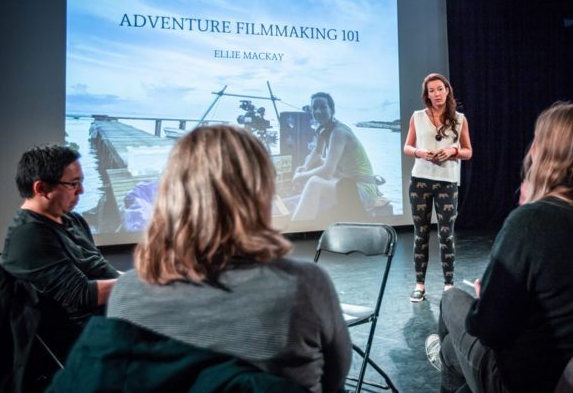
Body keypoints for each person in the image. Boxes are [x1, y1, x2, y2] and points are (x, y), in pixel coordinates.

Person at [50, 125, 352, 393]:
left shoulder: (126, 293)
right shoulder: (302, 285)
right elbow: (335, 378)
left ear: (170, 193)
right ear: (259, 192)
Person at [434, 102, 573, 393]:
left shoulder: (531, 221)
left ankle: (447, 358)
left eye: (537, 140)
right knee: (452, 352)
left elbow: (487, 330)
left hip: (532, 381)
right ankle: (448, 358)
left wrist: (485, 299)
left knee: (451, 300)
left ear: (547, 153)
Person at [0, 145, 120, 388]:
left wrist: (140, 281)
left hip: (97, 321)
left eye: (81, 182)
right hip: (69, 336)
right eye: (73, 184)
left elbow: (99, 267)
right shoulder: (28, 235)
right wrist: (142, 283)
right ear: (41, 188)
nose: (81, 191)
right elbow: (79, 294)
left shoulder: (73, 219)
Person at [403, 73, 472, 302]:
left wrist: (452, 151)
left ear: (447, 90)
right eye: (431, 90)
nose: (436, 94)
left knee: (446, 236)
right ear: (427, 94)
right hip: (420, 180)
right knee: (420, 235)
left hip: (447, 181)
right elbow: (407, 147)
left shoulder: (459, 118)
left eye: (440, 89)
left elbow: (468, 151)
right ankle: (420, 285)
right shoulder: (417, 117)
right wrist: (420, 152)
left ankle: (448, 286)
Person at [291, 92, 379, 221]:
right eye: (314, 108)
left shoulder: (338, 133)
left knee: (314, 182)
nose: (318, 111)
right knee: (312, 161)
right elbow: (317, 152)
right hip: (347, 181)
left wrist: (300, 177)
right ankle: (309, 199)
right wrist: (304, 168)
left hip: (363, 190)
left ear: (332, 110)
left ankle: (297, 227)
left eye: (323, 107)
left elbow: (328, 171)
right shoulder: (324, 129)